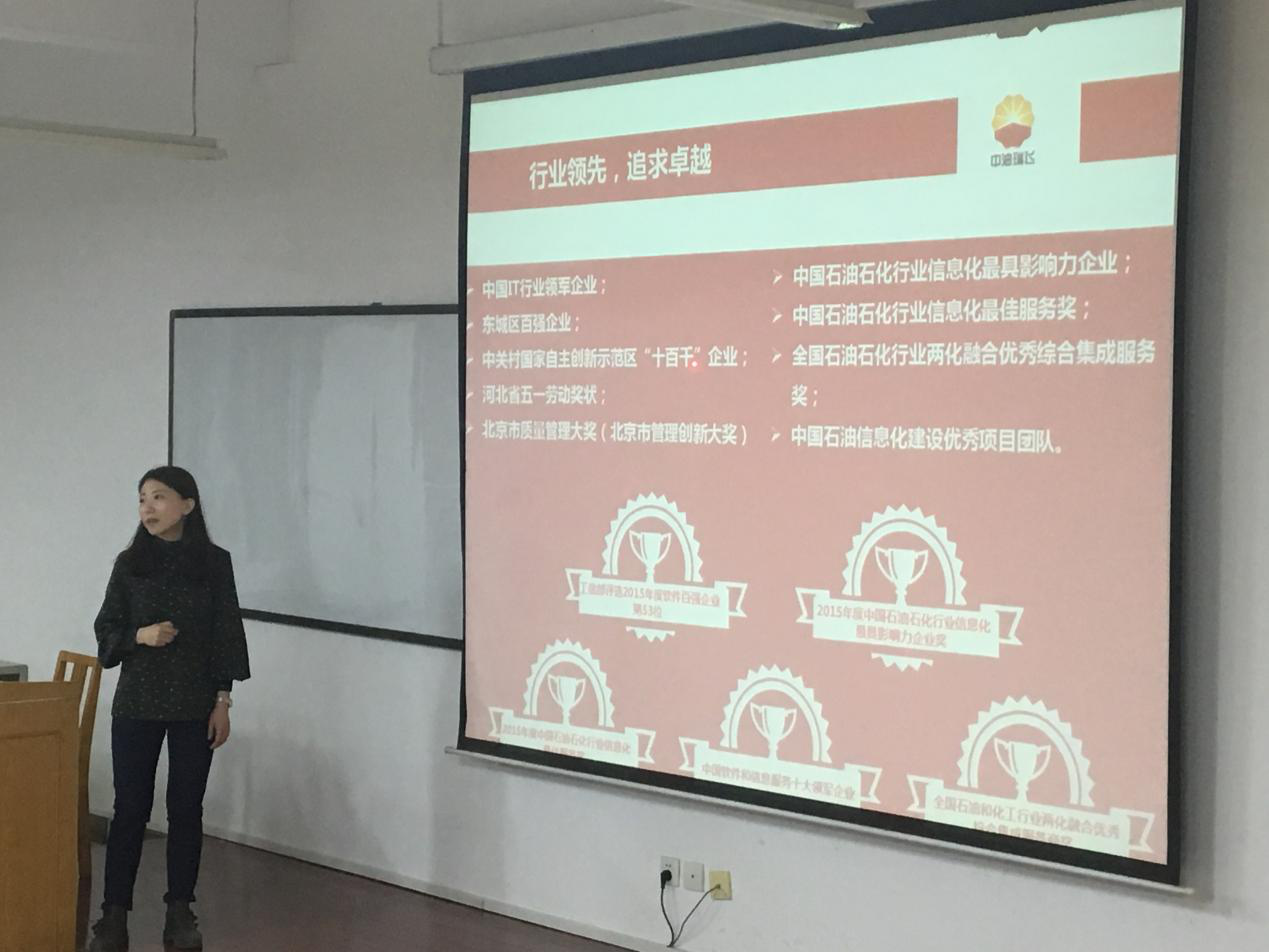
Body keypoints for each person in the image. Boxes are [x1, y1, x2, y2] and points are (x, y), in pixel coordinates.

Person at [87, 466, 251, 952]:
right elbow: (106, 632)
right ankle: (112, 916)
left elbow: (225, 633)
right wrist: (140, 635)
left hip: (194, 705)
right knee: (130, 809)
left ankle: (180, 912)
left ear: (188, 505)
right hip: (137, 702)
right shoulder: (129, 563)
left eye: (159, 497)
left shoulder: (215, 563)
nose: (148, 508)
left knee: (185, 810)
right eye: (142, 499)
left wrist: (223, 700)